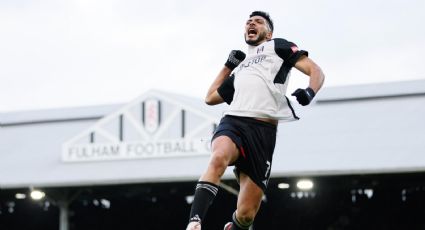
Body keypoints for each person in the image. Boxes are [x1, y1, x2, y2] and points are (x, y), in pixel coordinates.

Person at [185, 11, 325, 230]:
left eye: (258, 22)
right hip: (234, 122)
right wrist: (228, 66)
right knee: (218, 157)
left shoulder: (278, 46)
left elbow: (316, 70)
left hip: (263, 132)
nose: (251, 23)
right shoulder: (241, 68)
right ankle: (194, 222)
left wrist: (310, 91)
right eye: (248, 22)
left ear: (269, 33)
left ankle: (234, 226)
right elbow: (210, 98)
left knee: (246, 215)